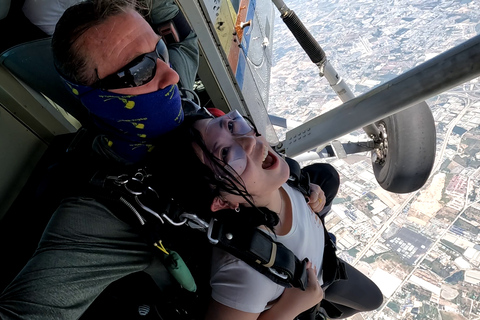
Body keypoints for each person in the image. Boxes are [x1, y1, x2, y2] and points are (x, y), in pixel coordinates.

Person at [0, 0, 202, 319]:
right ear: (97, 97)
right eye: (140, 70)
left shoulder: (183, 97)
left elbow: (185, 42)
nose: (172, 77)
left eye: (159, 50)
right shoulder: (99, 214)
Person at [148, 109, 384, 319]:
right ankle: (320, 310)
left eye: (231, 125)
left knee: (326, 176)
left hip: (316, 251)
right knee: (372, 299)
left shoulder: (278, 177)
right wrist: (290, 309)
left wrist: (310, 194)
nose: (249, 139)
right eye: (226, 155)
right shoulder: (246, 276)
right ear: (222, 202)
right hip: (307, 282)